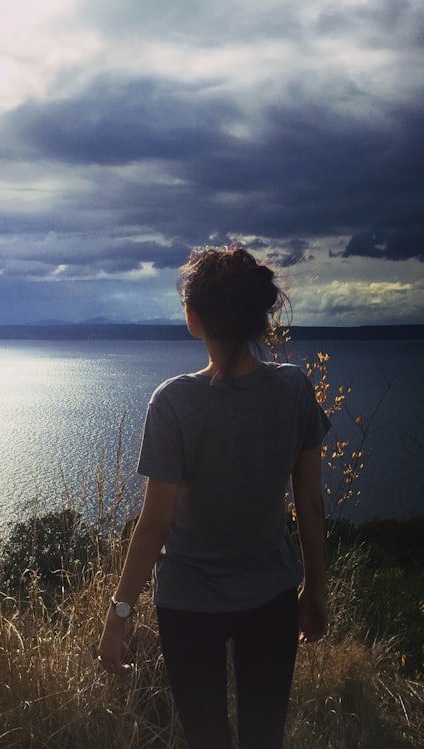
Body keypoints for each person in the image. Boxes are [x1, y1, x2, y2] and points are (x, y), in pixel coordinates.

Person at [97, 245, 330, 749]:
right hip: (271, 596)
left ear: (192, 317)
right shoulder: (294, 390)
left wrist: (119, 615)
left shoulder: (173, 401)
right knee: (264, 737)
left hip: (188, 604)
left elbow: (155, 523)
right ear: (258, 315)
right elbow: (310, 504)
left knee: (206, 739)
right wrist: (316, 587)